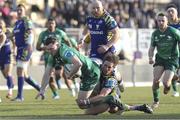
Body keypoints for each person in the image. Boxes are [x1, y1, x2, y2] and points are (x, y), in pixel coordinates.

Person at [35, 36, 104, 111]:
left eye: (51, 49)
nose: (50, 51)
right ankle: (104, 100)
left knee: (82, 103)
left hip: (91, 72)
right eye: (48, 49)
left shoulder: (64, 51)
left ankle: (109, 99)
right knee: (85, 105)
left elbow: (78, 64)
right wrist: (42, 90)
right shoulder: (52, 56)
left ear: (57, 45)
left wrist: (69, 76)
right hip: (85, 74)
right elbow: (47, 73)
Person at [80, 54, 153, 115]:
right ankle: (140, 107)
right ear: (102, 63)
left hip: (111, 95)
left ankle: (117, 104)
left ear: (113, 68)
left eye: (109, 67)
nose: (106, 68)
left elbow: (103, 94)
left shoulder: (112, 79)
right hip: (101, 92)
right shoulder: (96, 69)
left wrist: (86, 101)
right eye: (105, 65)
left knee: (113, 110)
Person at [80, 0, 124, 92]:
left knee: (113, 72)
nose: (95, 10)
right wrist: (82, 39)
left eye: (98, 8)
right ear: (90, 8)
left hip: (108, 50)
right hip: (95, 51)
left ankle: (120, 82)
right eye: (93, 8)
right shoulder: (89, 18)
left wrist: (107, 46)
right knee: (93, 70)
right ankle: (98, 93)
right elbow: (86, 30)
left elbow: (117, 33)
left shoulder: (107, 18)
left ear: (102, 8)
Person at [36, 17, 77, 98]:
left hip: (60, 57)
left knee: (59, 74)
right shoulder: (42, 34)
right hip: (48, 58)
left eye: (52, 23)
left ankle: (72, 86)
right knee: (49, 77)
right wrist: (45, 48)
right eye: (49, 23)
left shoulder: (60, 33)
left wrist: (71, 50)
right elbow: (37, 47)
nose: (51, 25)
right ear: (46, 24)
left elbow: (67, 41)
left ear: (55, 24)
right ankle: (55, 94)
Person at [148, 12, 180, 109]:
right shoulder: (155, 33)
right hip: (160, 59)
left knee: (166, 83)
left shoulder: (173, 31)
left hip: (172, 59)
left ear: (167, 21)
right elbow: (151, 48)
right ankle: (156, 101)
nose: (161, 22)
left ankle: (171, 81)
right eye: (159, 21)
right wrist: (150, 57)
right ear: (156, 21)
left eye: (163, 20)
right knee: (155, 80)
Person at [12, 4, 40, 101]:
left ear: (24, 11)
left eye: (21, 10)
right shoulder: (17, 23)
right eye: (18, 10)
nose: (19, 11)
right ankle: (40, 89)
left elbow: (30, 30)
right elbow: (13, 35)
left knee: (19, 70)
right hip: (19, 48)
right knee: (24, 75)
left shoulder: (25, 20)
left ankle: (20, 96)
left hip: (25, 48)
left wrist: (28, 35)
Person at [166, 4, 180, 97]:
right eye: (169, 12)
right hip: (172, 53)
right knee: (173, 73)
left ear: (177, 13)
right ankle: (175, 91)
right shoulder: (166, 26)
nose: (170, 13)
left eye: (172, 11)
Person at [0, 19, 14, 99]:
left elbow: (13, 41)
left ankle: (10, 92)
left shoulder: (8, 31)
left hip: (8, 54)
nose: (0, 24)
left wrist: (14, 49)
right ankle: (11, 82)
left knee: (8, 73)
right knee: (6, 75)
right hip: (0, 56)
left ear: (4, 24)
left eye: (1, 23)